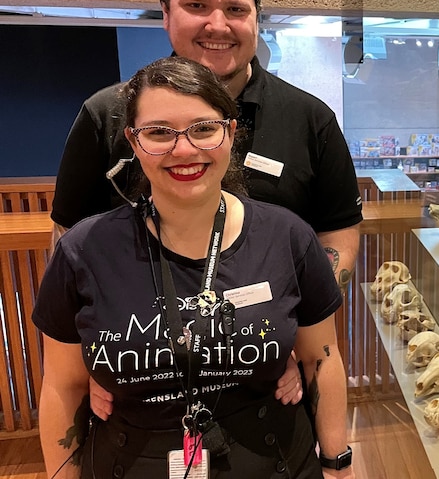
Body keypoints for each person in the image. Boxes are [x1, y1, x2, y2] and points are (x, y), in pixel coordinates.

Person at [50, 0, 363, 417]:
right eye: (197, 5)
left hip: (273, 396)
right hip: (138, 399)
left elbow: (339, 234)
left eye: (236, 9)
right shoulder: (106, 115)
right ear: (165, 11)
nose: (218, 25)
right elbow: (69, 244)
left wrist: (294, 331)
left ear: (258, 16)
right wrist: (94, 360)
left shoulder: (310, 119)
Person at [34, 57, 355, 479]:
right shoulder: (84, 251)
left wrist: (337, 466)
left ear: (230, 133)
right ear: (133, 142)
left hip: (277, 460)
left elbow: (321, 359)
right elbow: (63, 386)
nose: (184, 149)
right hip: (127, 462)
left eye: (203, 129)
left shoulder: (288, 236)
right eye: (159, 133)